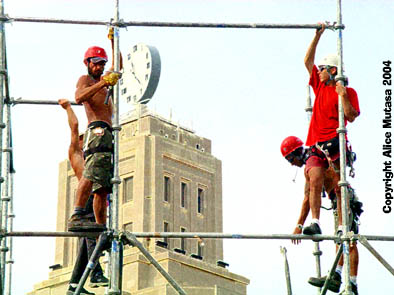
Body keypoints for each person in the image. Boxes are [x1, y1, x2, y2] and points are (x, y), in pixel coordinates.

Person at [281, 136, 362, 295]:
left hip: (344, 199)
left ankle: (351, 285)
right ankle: (337, 277)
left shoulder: (315, 157)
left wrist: (307, 223)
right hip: (338, 201)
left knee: (349, 240)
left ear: (296, 152)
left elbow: (315, 191)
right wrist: (299, 225)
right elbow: (308, 197)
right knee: (342, 240)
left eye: (290, 158)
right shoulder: (311, 164)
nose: (291, 163)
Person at [302, 23, 360, 235]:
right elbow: (307, 61)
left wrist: (342, 94)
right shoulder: (319, 86)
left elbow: (351, 116)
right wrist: (317, 36)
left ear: (332, 70)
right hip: (317, 143)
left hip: (335, 145)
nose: (319, 71)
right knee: (314, 179)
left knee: (338, 187)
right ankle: (315, 221)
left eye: (323, 69)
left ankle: (342, 225)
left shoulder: (346, 91)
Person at [67, 43, 121, 232]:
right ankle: (77, 214)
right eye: (96, 63)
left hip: (107, 132)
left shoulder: (104, 81)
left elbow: (118, 67)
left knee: (102, 188)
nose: (99, 67)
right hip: (97, 130)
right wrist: (102, 84)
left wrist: (115, 41)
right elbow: (79, 97)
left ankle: (101, 230)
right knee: (91, 172)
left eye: (102, 64)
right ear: (88, 63)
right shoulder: (86, 80)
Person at [59, 99, 109, 295]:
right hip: (87, 199)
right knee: (90, 234)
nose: (85, 139)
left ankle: (74, 284)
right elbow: (75, 126)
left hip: (96, 197)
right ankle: (95, 271)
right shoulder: (76, 154)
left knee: (86, 242)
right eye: (82, 138)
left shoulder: (93, 157)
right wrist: (68, 108)